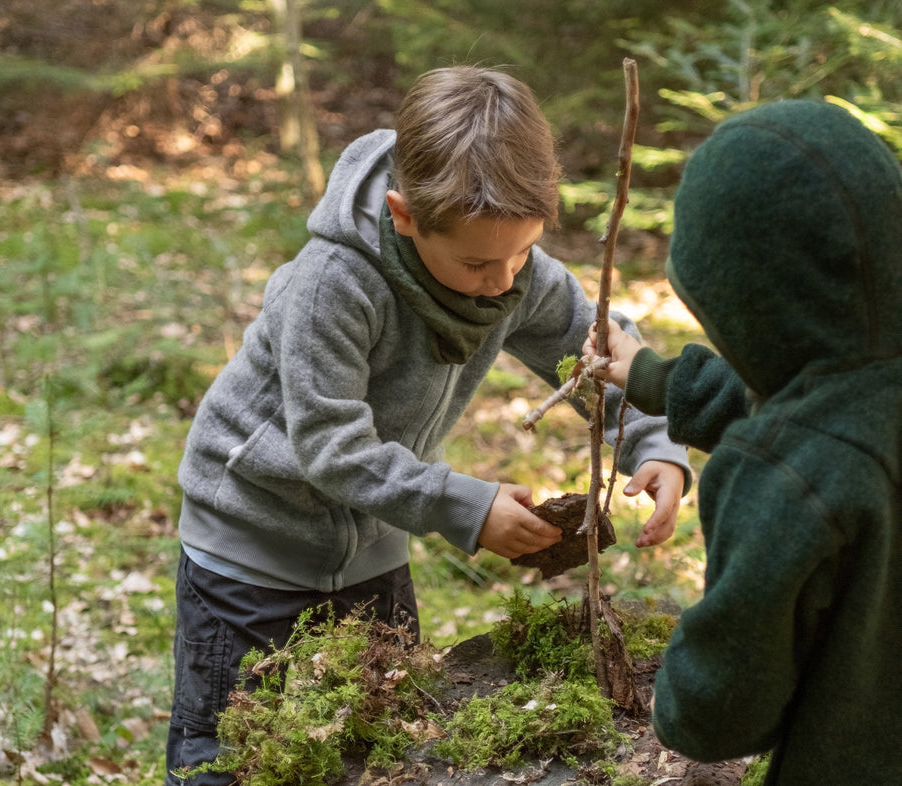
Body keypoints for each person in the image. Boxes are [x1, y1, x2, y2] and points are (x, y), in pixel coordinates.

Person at [166, 65, 691, 784]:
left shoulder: (511, 269)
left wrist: (654, 445)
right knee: (229, 761)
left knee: (385, 751)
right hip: (252, 558)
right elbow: (328, 446)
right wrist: (466, 509)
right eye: (480, 262)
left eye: (522, 252)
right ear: (405, 215)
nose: (506, 281)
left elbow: (599, 354)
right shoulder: (335, 284)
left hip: (375, 553)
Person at [585, 100, 902, 784]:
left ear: (752, 311)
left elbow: (723, 710)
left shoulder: (788, 478)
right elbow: (821, 397)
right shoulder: (864, 401)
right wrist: (653, 376)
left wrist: (675, 693)